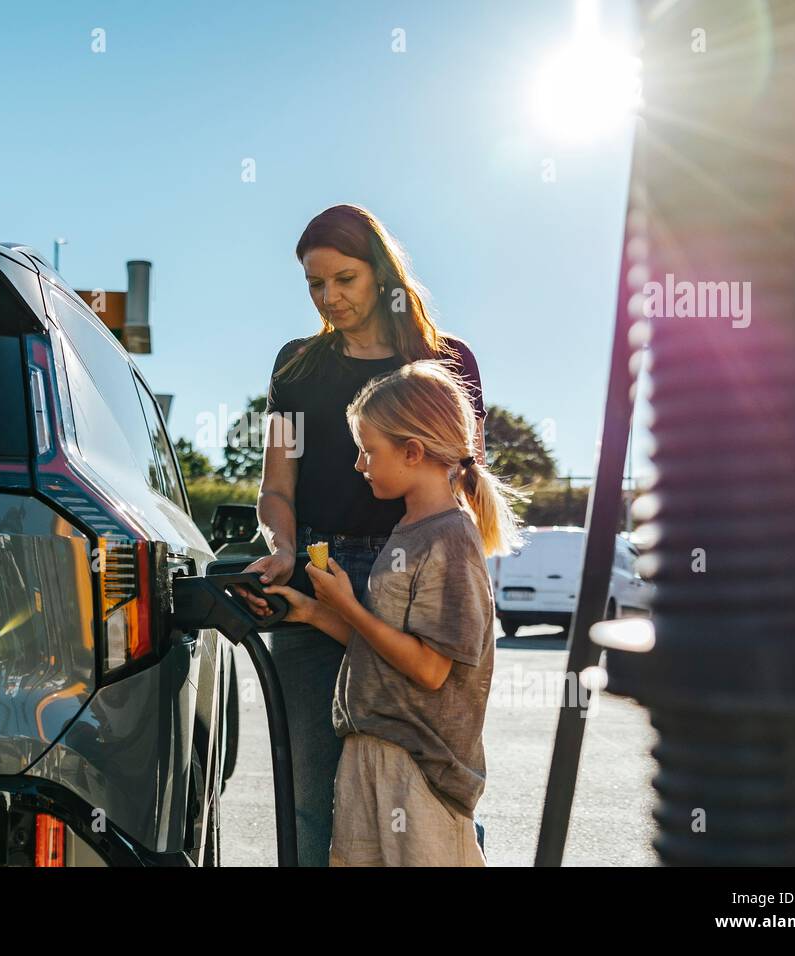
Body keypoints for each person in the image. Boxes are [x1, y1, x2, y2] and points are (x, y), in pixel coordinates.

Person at [237, 203, 487, 866]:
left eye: (343, 278)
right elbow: (275, 486)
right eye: (315, 285)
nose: (330, 297)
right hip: (319, 573)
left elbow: (464, 481)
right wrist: (283, 549)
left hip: (420, 584)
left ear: (380, 273)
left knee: (431, 779)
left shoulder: (446, 359)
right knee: (314, 795)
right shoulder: (294, 368)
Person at [264, 360, 525, 865]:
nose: (359, 464)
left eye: (368, 451)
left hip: (418, 766)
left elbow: (429, 669)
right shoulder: (409, 529)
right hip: (375, 748)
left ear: (413, 451)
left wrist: (347, 606)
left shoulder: (448, 538)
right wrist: (312, 613)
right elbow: (384, 648)